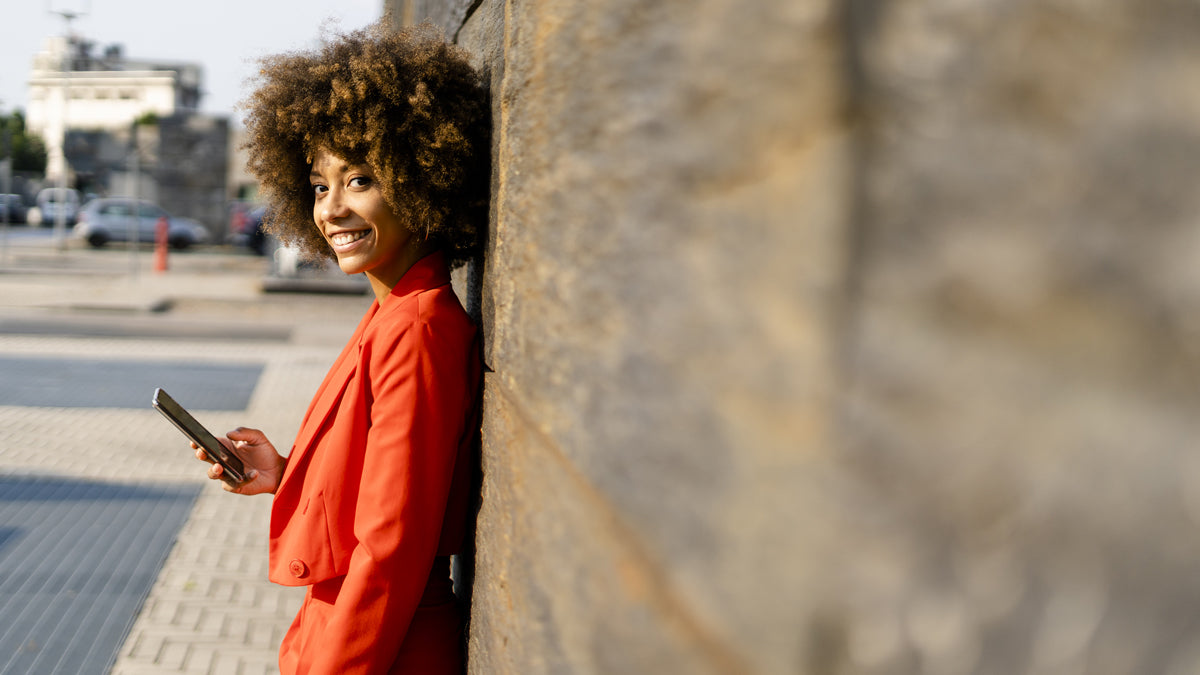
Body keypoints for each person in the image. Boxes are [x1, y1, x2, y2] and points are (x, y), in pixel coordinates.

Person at [195, 21, 489, 674]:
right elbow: (383, 487)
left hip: (380, 644)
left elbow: (391, 549)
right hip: (349, 629)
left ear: (421, 177)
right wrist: (285, 473)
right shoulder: (393, 311)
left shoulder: (418, 327)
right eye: (320, 185)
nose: (331, 209)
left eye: (359, 179)